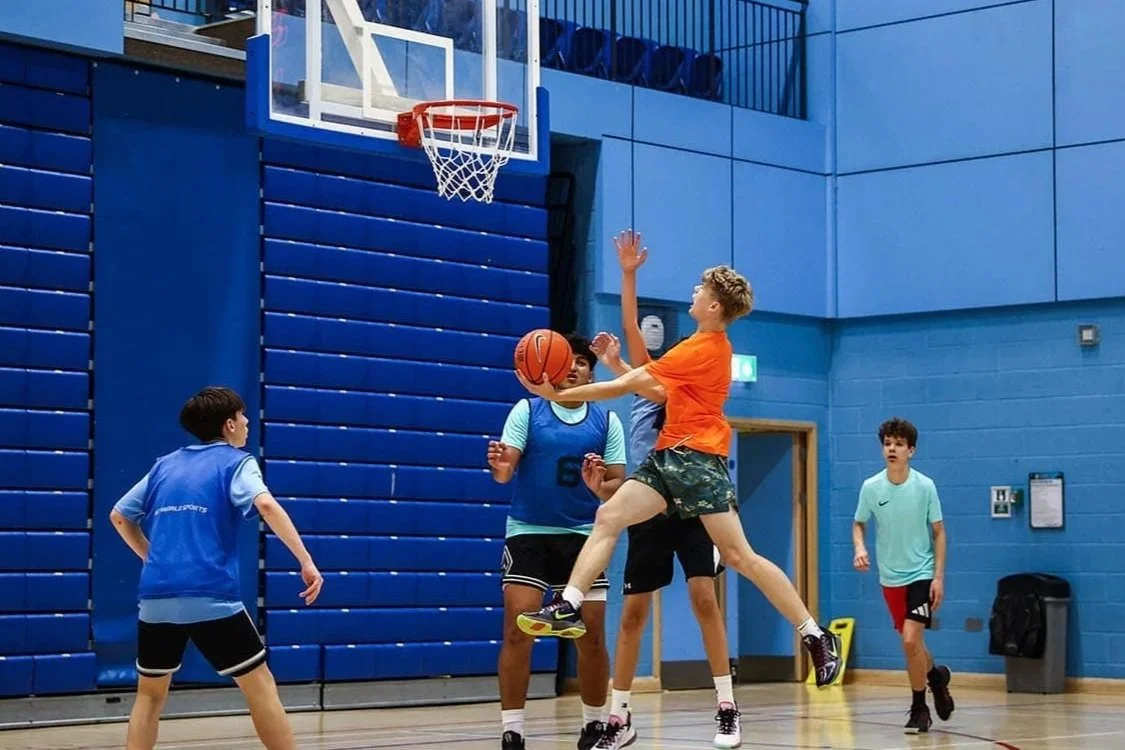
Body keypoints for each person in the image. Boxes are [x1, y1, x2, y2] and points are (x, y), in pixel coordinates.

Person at [512, 235, 844, 689]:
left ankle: (813, 633)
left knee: (738, 556)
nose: (693, 293)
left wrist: (558, 394)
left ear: (713, 306)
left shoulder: (703, 347)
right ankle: (568, 602)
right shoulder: (699, 351)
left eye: (699, 290)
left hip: (698, 460)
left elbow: (622, 388)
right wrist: (614, 364)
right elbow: (652, 389)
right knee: (609, 514)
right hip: (667, 458)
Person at [585, 232, 738, 750]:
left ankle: (725, 704)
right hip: (651, 493)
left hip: (691, 493)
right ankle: (619, 715)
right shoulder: (651, 381)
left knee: (704, 599)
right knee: (632, 613)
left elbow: (632, 368)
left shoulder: (689, 376)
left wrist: (603, 374)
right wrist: (628, 274)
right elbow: (630, 342)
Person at [109, 386, 323, 750]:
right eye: (242, 417)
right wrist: (306, 561)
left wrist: (150, 557)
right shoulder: (237, 463)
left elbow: (119, 516)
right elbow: (267, 506)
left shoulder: (165, 465)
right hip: (210, 594)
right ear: (228, 424)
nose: (246, 424)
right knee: (260, 688)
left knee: (149, 697)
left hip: (156, 597)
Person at [487, 335, 627, 750]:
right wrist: (499, 466)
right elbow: (504, 473)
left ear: (591, 372)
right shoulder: (528, 410)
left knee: (591, 637)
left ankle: (594, 724)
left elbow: (617, 487)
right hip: (529, 532)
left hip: (585, 538)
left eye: (582, 362)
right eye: (566, 360)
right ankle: (512, 729)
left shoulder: (606, 421)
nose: (572, 368)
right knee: (517, 630)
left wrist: (600, 485)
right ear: (547, 368)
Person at [852, 417, 954, 734]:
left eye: (898, 444)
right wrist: (859, 547)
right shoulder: (871, 487)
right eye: (887, 444)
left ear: (911, 450)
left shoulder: (925, 486)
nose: (892, 449)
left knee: (910, 640)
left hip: (921, 574)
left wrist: (938, 577)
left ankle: (919, 708)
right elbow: (859, 523)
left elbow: (938, 532)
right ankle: (936, 677)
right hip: (890, 578)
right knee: (913, 645)